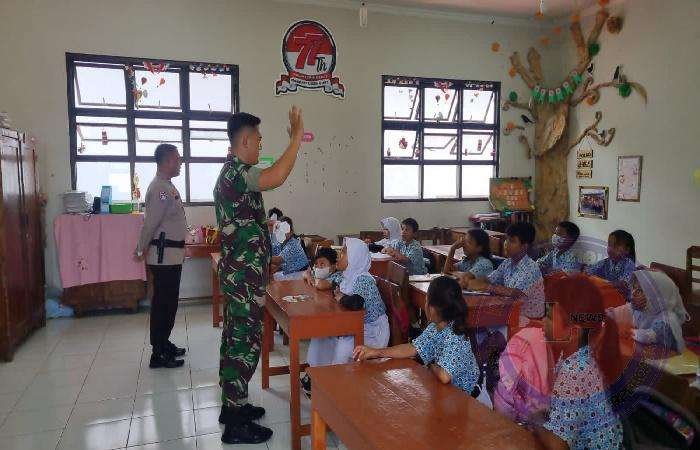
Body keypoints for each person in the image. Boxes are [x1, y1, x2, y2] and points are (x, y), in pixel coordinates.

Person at [213, 107, 303, 445]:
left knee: (234, 338)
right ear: (245, 141)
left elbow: (243, 224)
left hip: (243, 274)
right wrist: (296, 139)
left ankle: (232, 407)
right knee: (244, 343)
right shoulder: (238, 172)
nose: (261, 145)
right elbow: (277, 175)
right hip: (243, 280)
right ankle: (236, 424)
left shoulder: (234, 174)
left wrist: (264, 246)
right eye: (259, 140)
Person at [531, 273, 624, 450]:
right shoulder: (580, 354)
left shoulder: (574, 371)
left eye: (549, 317)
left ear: (573, 332)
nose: (543, 321)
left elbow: (558, 446)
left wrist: (535, 421)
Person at [353, 276, 480, 396]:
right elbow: (413, 348)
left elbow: (444, 376)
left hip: (467, 396)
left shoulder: (455, 335)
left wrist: (430, 364)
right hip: (447, 391)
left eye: (427, 300)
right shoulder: (435, 327)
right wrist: (376, 352)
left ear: (432, 308)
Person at [302, 238, 389, 396]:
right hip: (351, 324)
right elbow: (323, 284)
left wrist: (341, 297)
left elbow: (356, 303)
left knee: (343, 347)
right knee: (320, 336)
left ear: (355, 258)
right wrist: (309, 274)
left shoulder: (363, 279)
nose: (339, 255)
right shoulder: (345, 275)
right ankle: (315, 375)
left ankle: (336, 388)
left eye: (343, 253)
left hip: (372, 330)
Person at [135, 143, 187, 369]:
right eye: (177, 159)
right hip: (164, 257)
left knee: (169, 304)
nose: (180, 162)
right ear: (166, 161)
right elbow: (150, 224)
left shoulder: (166, 185)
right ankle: (157, 353)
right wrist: (140, 248)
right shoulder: (159, 189)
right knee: (163, 305)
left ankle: (164, 343)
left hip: (172, 256)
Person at [468, 222, 545, 321]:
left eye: (512, 241)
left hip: (529, 320)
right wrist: (470, 282)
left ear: (524, 246)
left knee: (478, 320)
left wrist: (485, 286)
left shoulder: (531, 268)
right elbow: (490, 279)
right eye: (506, 239)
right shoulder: (507, 263)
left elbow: (514, 293)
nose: (506, 244)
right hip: (511, 313)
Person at [608, 269, 690, 355]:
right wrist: (601, 316)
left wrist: (627, 331)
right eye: (633, 288)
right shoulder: (640, 309)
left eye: (639, 291)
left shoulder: (668, 319)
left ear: (657, 296)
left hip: (671, 359)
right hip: (648, 355)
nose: (633, 293)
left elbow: (647, 336)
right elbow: (612, 314)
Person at [270, 216, 309, 280]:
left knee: (271, 279)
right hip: (289, 272)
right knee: (269, 276)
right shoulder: (279, 243)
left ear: (291, 232)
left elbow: (278, 260)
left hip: (301, 273)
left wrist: (262, 257)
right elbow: (270, 252)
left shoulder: (294, 244)